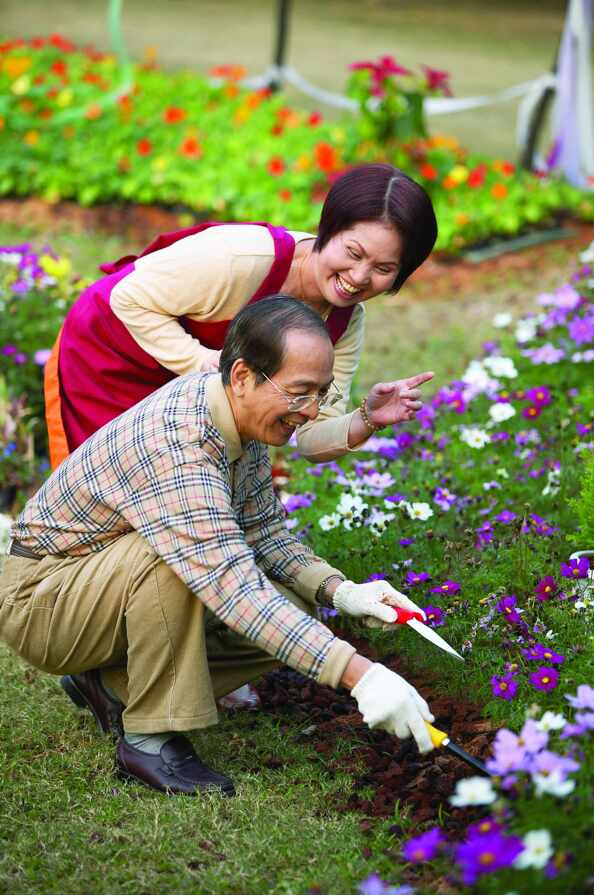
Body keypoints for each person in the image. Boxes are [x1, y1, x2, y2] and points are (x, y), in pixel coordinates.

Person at [2, 297, 435, 796]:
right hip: (42, 603)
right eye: (299, 392)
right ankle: (148, 736)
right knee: (175, 559)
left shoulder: (238, 417)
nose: (312, 411)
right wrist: (360, 676)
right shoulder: (178, 443)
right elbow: (231, 585)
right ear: (244, 376)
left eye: (320, 393)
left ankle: (111, 686)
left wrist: (341, 592)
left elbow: (265, 531)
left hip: (96, 587)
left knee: (295, 603)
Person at [45, 163, 437, 471]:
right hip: (111, 350)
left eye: (384, 268)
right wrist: (202, 364)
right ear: (328, 229)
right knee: (101, 488)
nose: (359, 277)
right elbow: (127, 298)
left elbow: (312, 437)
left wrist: (368, 418)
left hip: (190, 387)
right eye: (353, 253)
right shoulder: (243, 259)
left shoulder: (344, 324)